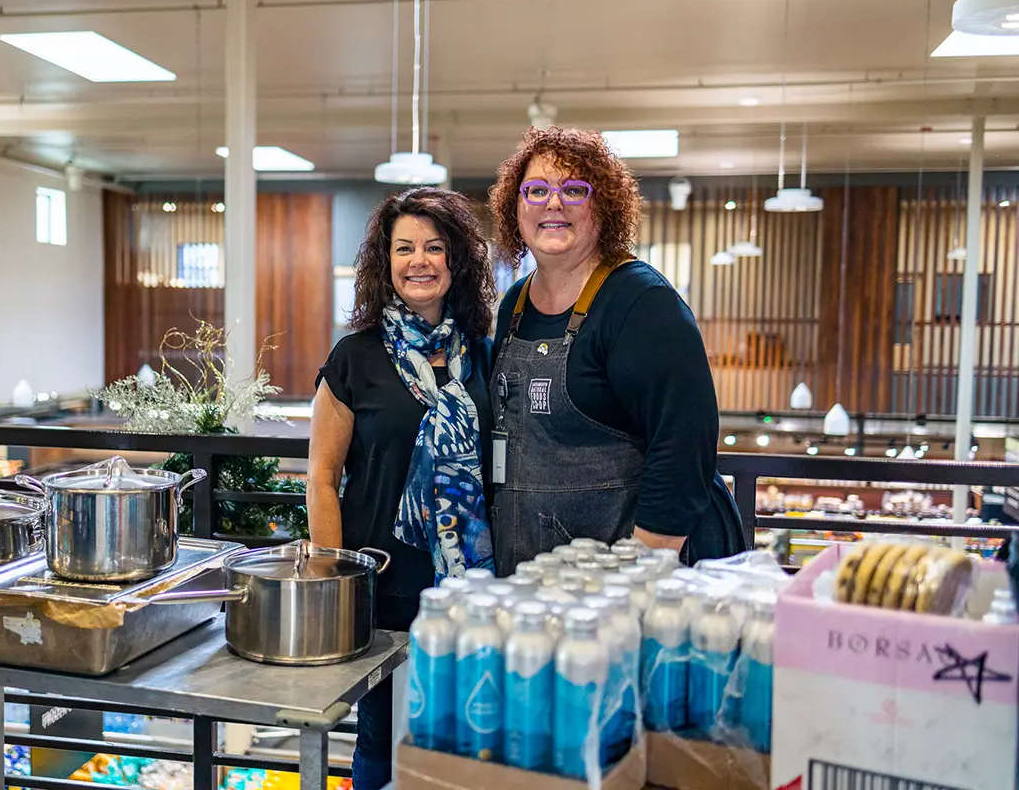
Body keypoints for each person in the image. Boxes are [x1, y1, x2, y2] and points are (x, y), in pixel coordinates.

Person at [487, 126, 746, 574]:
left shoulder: (640, 302)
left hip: (625, 576)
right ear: (515, 208)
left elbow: (684, 443)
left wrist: (642, 570)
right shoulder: (514, 304)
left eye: (573, 190)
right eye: (536, 190)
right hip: (535, 575)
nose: (553, 203)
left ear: (603, 206)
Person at [308, 187, 497, 790]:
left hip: (471, 588)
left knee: (464, 739)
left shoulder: (484, 355)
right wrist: (334, 576)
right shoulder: (355, 357)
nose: (420, 260)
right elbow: (320, 477)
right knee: (382, 740)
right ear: (384, 263)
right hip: (385, 583)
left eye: (435, 248)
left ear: (456, 262)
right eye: (405, 248)